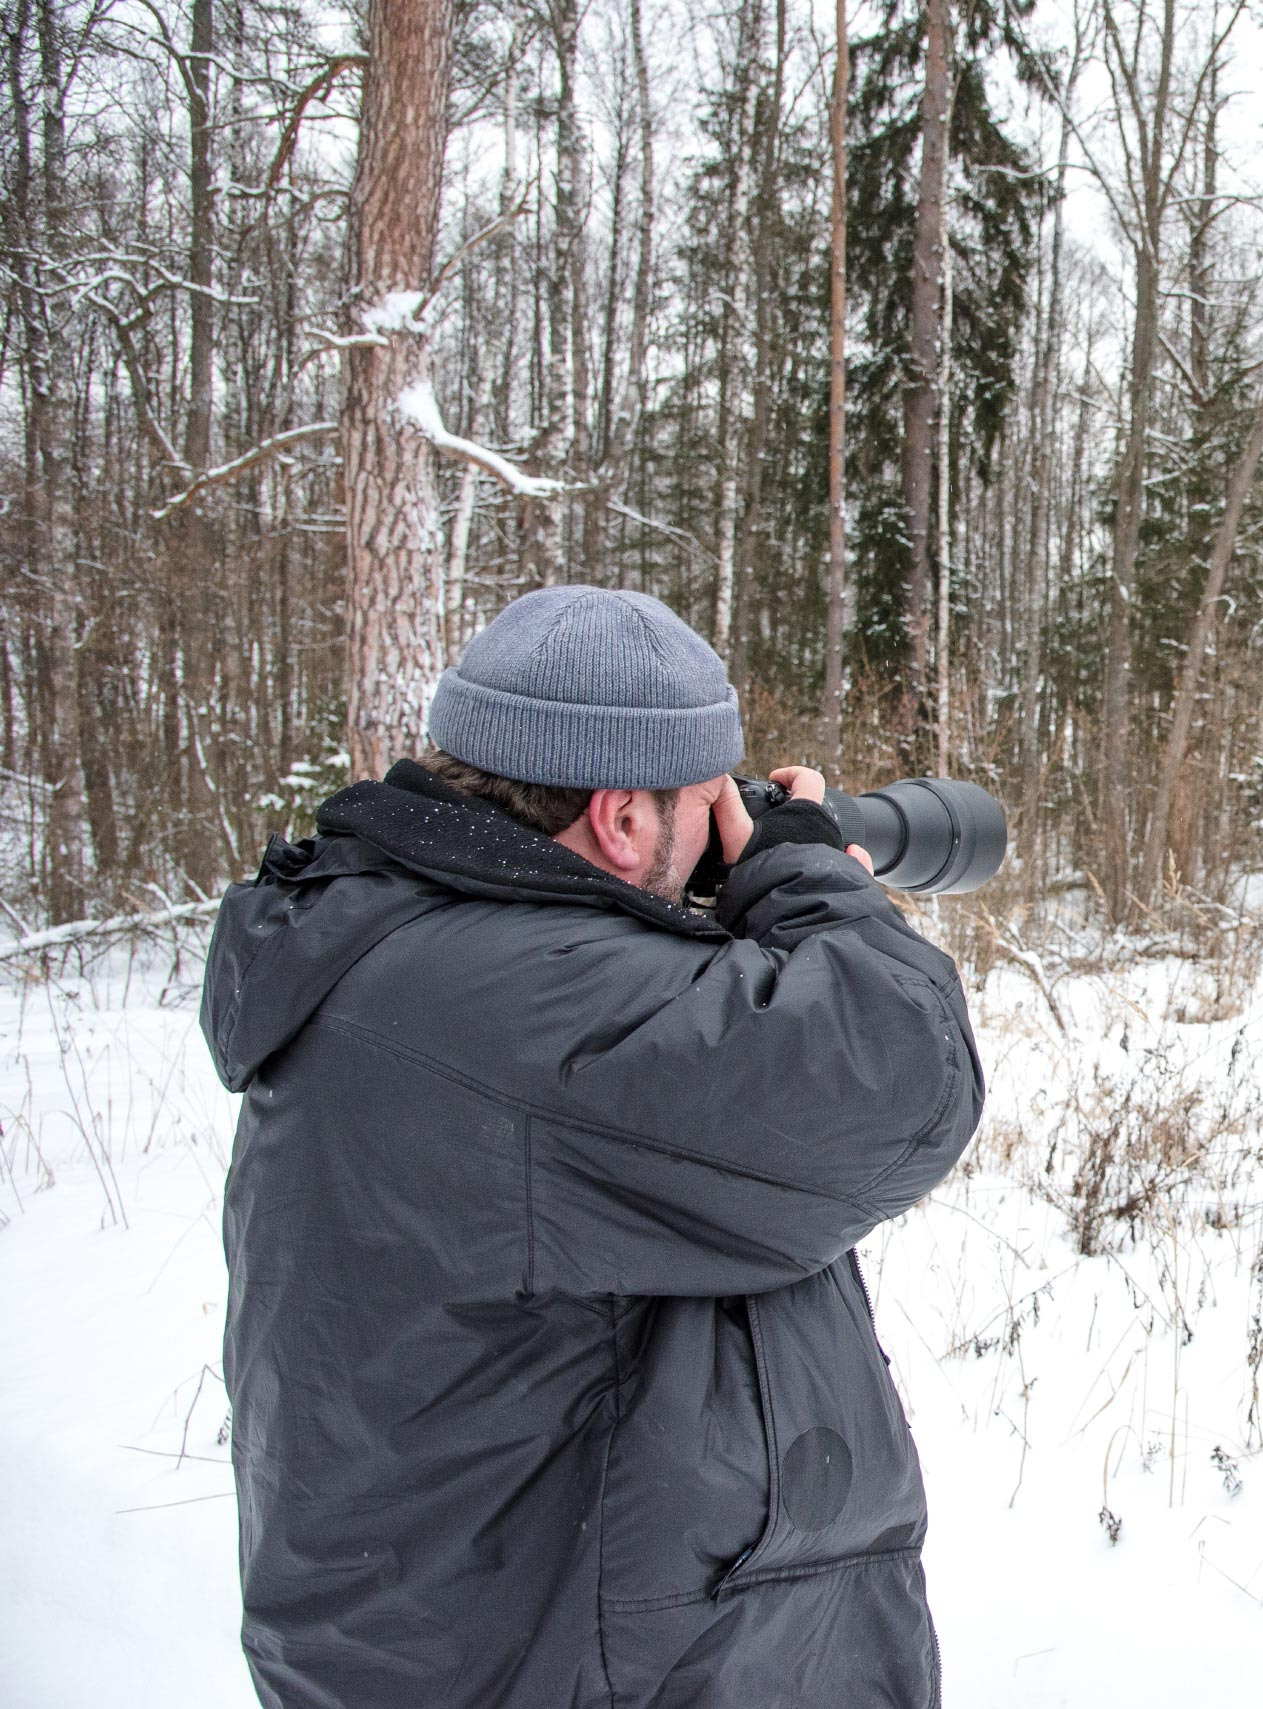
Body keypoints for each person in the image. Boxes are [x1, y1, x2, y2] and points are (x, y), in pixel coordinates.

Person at [201, 586, 983, 1708]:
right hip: (571, 1665)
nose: (720, 828)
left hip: (506, 1637)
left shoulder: (393, 947)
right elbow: (900, 1076)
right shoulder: (522, 1005)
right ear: (621, 820)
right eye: (701, 803)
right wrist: (803, 865)